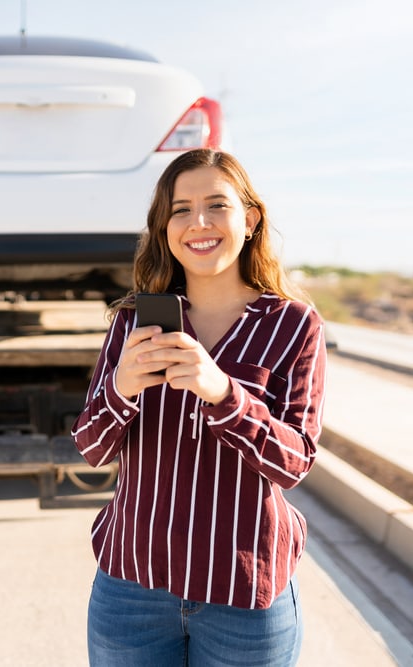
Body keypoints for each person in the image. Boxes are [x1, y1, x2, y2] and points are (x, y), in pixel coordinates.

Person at [72, 148, 327, 666]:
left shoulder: (295, 326)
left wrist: (224, 394)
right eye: (180, 209)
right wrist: (122, 388)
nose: (199, 223)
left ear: (250, 219)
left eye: (217, 205)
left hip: (243, 595)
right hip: (132, 589)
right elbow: (91, 448)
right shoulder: (132, 324)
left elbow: (294, 462)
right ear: (164, 227)